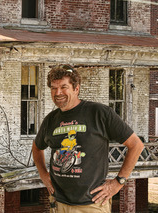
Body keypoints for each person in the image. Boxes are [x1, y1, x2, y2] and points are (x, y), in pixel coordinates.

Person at [32, 64, 144, 212]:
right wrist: (43, 174)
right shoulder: (51, 119)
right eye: (53, 88)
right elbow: (37, 147)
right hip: (59, 204)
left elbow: (136, 145)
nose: (58, 92)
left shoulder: (99, 113)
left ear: (76, 88)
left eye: (64, 87)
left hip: (92, 205)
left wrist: (119, 181)